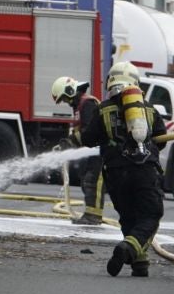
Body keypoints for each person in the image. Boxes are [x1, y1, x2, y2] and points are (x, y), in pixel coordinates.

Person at [80, 61, 166, 278]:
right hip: (144, 171)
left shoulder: (103, 109)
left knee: (128, 217)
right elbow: (161, 139)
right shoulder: (148, 109)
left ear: (110, 82)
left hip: (115, 173)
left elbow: (88, 139)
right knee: (150, 214)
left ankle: (140, 264)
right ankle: (128, 247)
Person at [51, 75, 103, 225]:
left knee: (93, 181)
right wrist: (67, 142)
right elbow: (80, 130)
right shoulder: (80, 105)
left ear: (70, 91)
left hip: (100, 150)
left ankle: (93, 216)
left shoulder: (88, 104)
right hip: (91, 151)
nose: (66, 102)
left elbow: (89, 131)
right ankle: (90, 214)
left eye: (65, 98)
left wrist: (71, 141)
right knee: (86, 179)